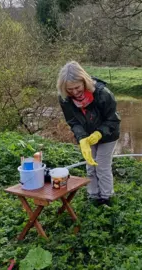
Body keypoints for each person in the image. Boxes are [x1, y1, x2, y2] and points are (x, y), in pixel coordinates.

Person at [57, 61, 121, 206]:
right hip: (86, 134)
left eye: (77, 87)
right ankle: (93, 196)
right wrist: (82, 139)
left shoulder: (103, 94)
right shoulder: (64, 98)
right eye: (70, 89)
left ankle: (106, 197)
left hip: (108, 134)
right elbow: (73, 121)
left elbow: (113, 120)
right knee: (90, 166)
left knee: (102, 166)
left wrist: (99, 133)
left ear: (84, 81)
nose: (74, 92)